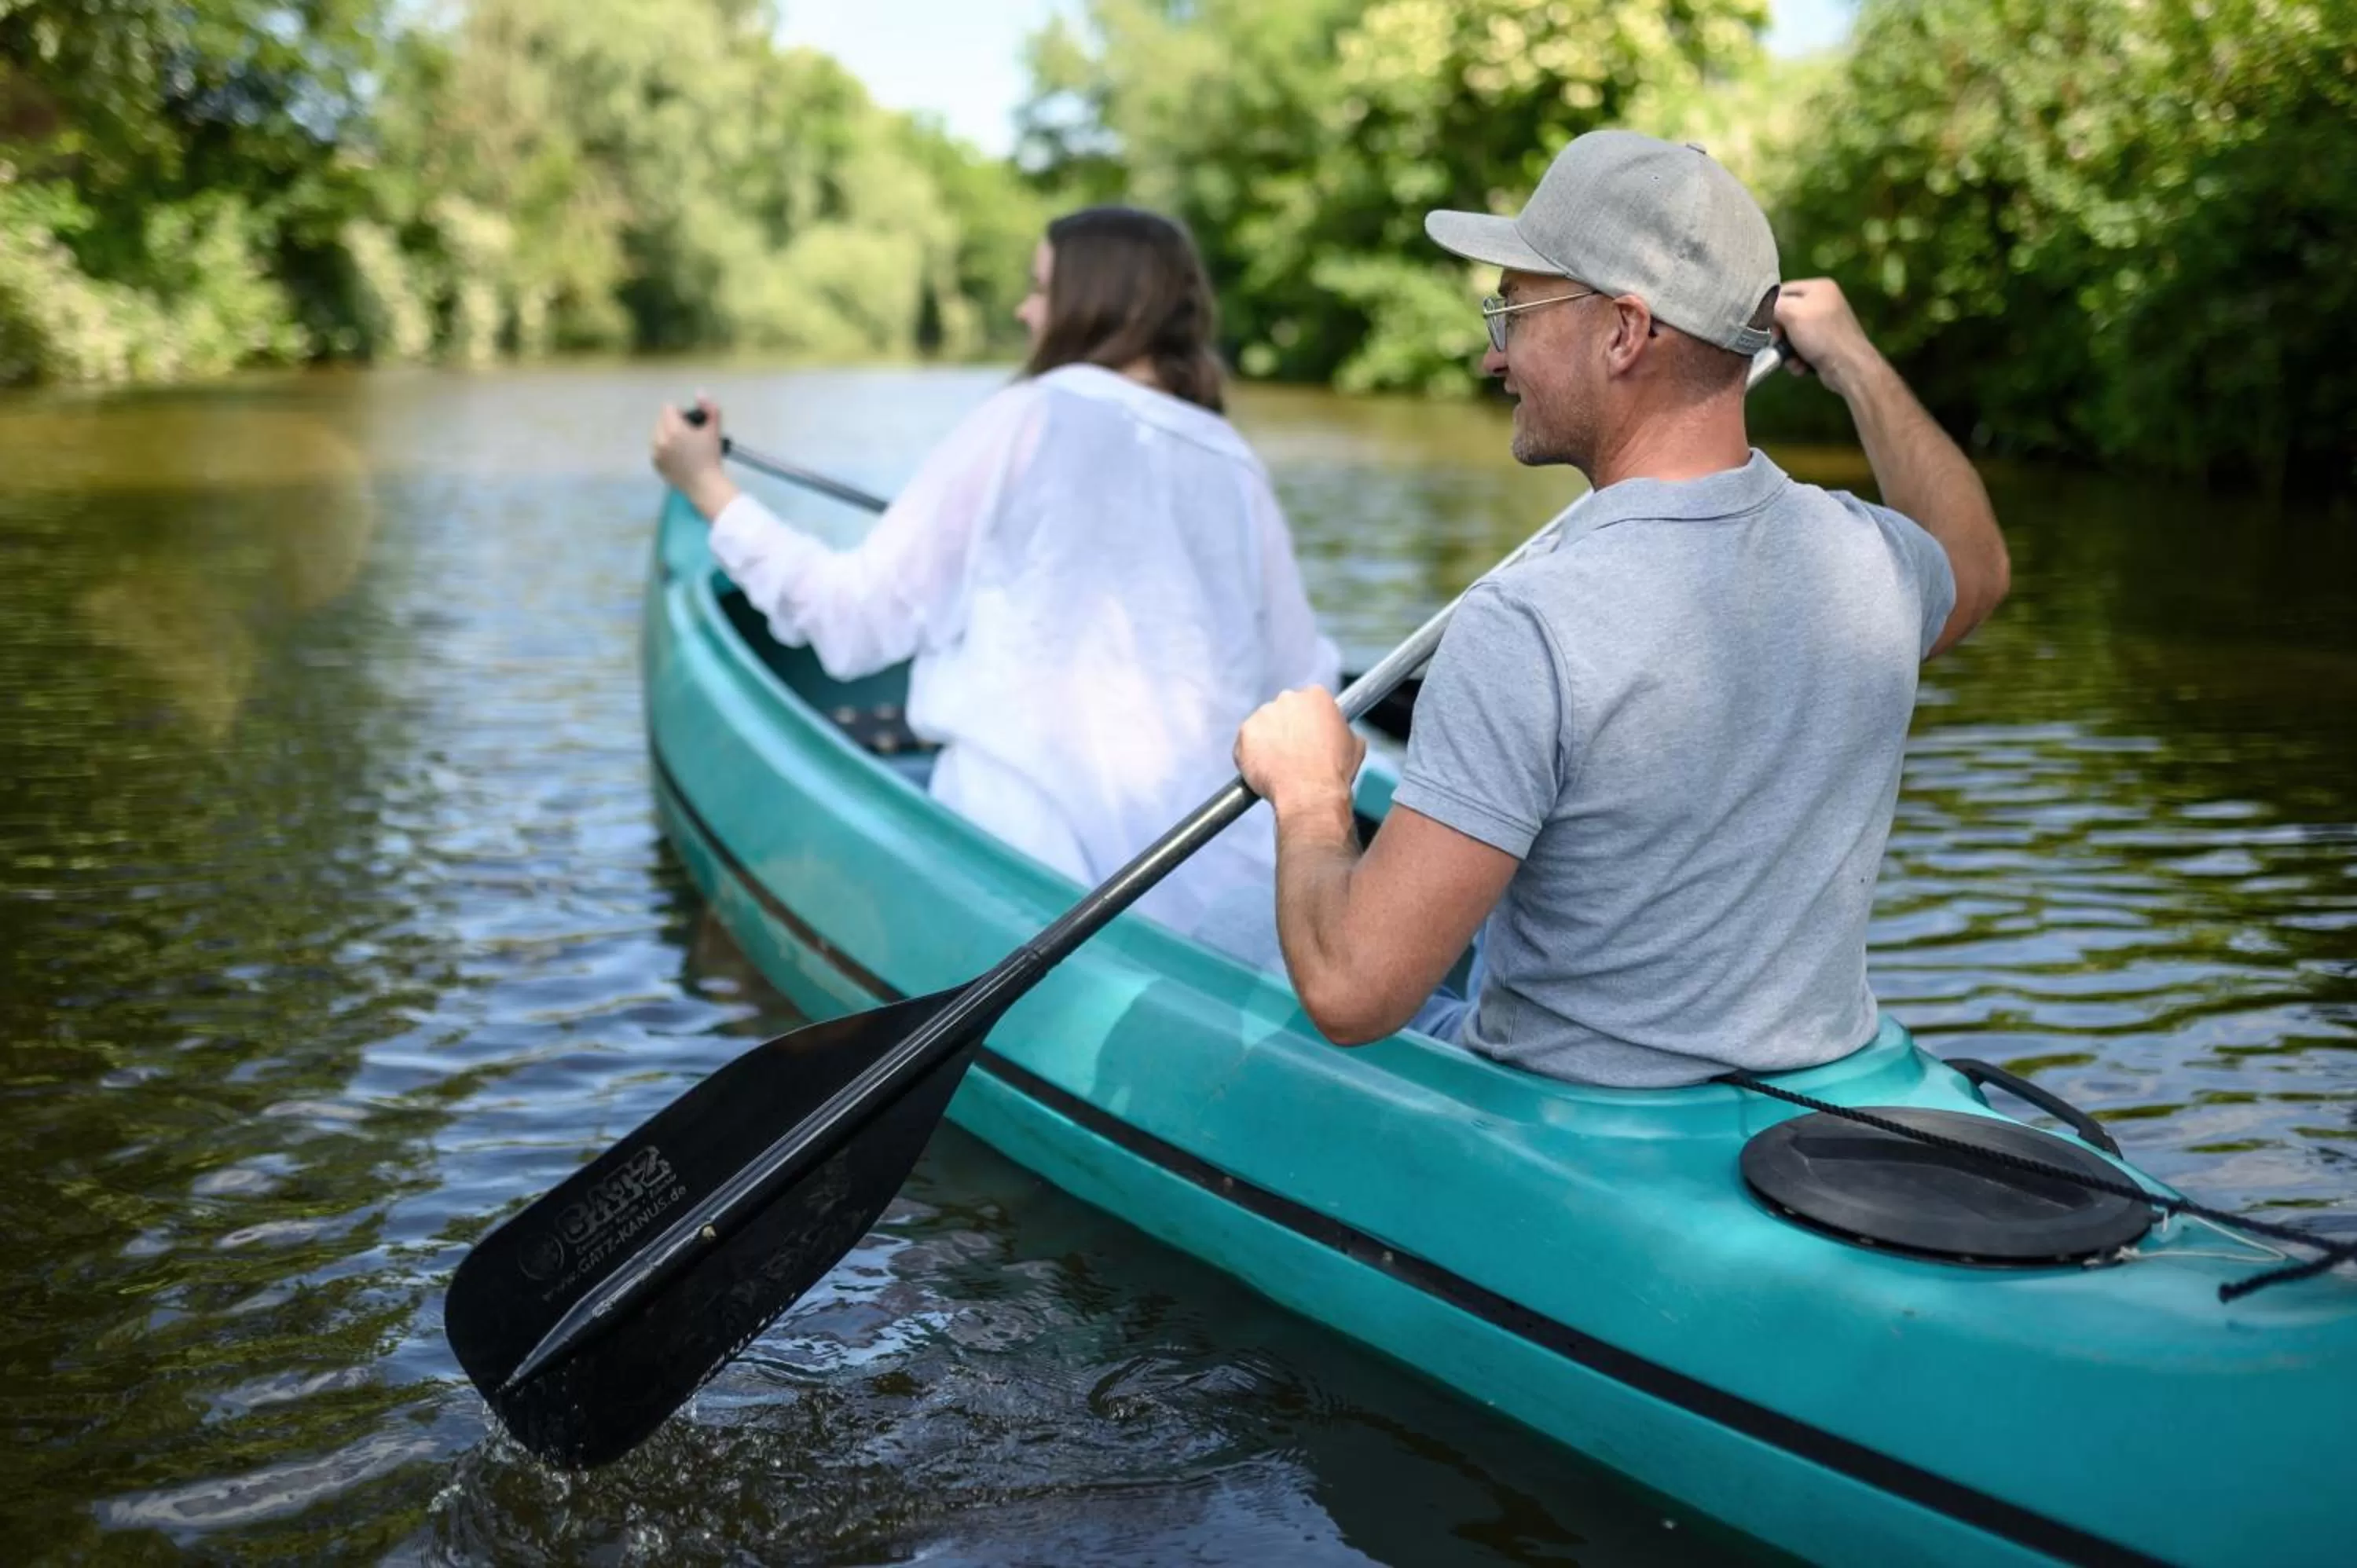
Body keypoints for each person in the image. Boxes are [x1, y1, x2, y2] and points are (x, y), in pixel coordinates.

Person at [1232, 130, 2010, 1086]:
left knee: (1263, 967)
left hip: (1578, 1115)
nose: (1493, 354)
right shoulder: (1873, 559)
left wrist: (1311, 794)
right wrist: (1855, 363)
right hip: (1812, 1083)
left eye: (1514, 308)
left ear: (1624, 332)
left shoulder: (1527, 621)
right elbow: (1976, 567)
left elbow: (1353, 991)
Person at [651, 207, 1338, 958]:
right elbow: (1305, 688)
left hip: (1030, 868)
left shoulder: (1027, 416)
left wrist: (707, 486)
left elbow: (851, 623)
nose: (1024, 309)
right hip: (1213, 898)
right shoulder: (1232, 460)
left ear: (1095, 300)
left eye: (1041, 287)